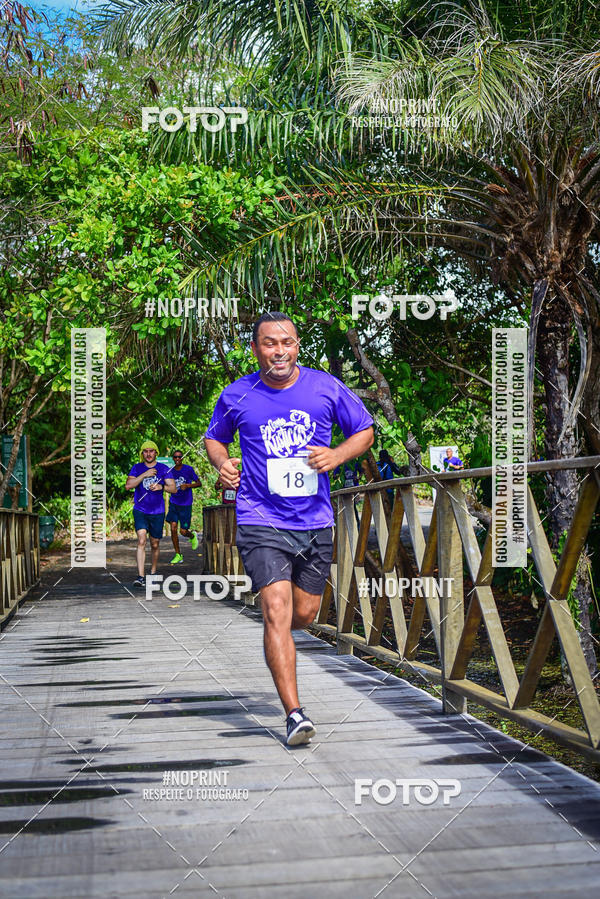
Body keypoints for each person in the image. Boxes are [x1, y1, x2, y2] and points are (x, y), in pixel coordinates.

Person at [204, 311, 374, 745]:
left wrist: (337, 455)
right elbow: (214, 438)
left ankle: (276, 640)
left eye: (286, 342)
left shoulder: (324, 387)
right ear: (256, 348)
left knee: (304, 615)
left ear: (297, 345)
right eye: (268, 343)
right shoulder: (237, 394)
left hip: (314, 521)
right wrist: (223, 464)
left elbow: (365, 431)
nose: (278, 351)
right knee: (277, 611)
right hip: (259, 519)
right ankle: (295, 714)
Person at [125, 440, 175, 589]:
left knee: (155, 543)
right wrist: (145, 475)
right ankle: (140, 577)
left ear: (156, 453)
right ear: (142, 453)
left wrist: (161, 486)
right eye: (145, 451)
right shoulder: (137, 468)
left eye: (151, 451)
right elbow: (129, 485)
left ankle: (153, 573)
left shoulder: (163, 468)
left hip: (157, 511)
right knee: (141, 540)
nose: (148, 453)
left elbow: (173, 488)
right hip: (140, 510)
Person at [165, 450, 201, 564]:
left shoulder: (188, 469)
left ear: (182, 458)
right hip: (174, 502)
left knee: (183, 531)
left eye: (179, 457)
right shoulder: (170, 471)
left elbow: (199, 483)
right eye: (175, 457)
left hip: (185, 503)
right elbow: (165, 484)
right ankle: (178, 554)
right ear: (173, 458)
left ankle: (192, 536)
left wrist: (188, 485)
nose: (177, 459)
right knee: (173, 528)